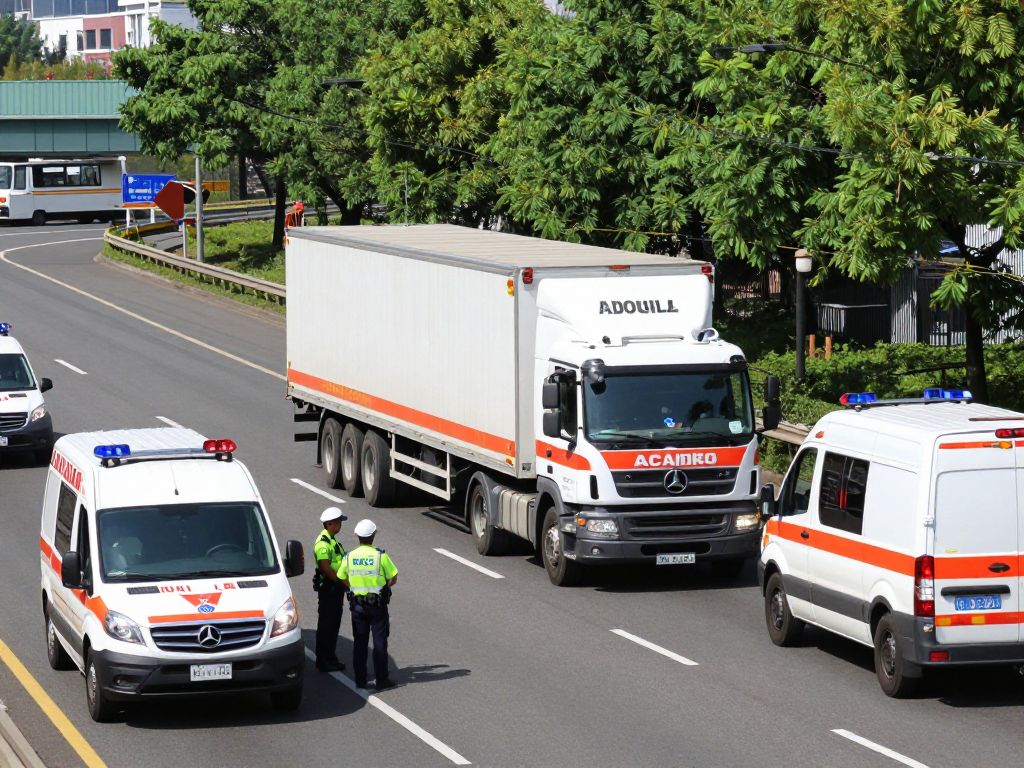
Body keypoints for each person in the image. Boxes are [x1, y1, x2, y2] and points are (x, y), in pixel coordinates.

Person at [339, 518, 398, 690]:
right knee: (380, 643)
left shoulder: (350, 556)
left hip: (357, 606)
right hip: (377, 606)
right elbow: (394, 577)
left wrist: (354, 587)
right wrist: (383, 587)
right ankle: (381, 679)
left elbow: (342, 576)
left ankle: (360, 680)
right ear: (373, 536)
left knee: (360, 643)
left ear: (358, 536)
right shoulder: (380, 556)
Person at [313, 506, 348, 672]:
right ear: (330, 524)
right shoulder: (323, 544)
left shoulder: (332, 540)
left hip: (335, 588)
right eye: (339, 522)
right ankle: (323, 660)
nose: (340, 525)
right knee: (327, 625)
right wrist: (340, 582)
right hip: (329, 588)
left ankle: (330, 657)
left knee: (334, 625)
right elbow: (326, 567)